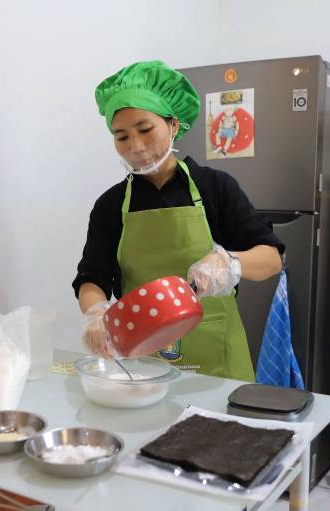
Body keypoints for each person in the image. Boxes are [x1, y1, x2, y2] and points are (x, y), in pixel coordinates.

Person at [72, 60, 283, 381]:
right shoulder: (111, 205)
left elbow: (271, 258)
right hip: (142, 359)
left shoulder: (216, 187)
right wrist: (95, 314)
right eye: (122, 136)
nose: (136, 147)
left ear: (173, 124)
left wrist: (229, 264)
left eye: (145, 130)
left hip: (218, 361)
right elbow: (92, 279)